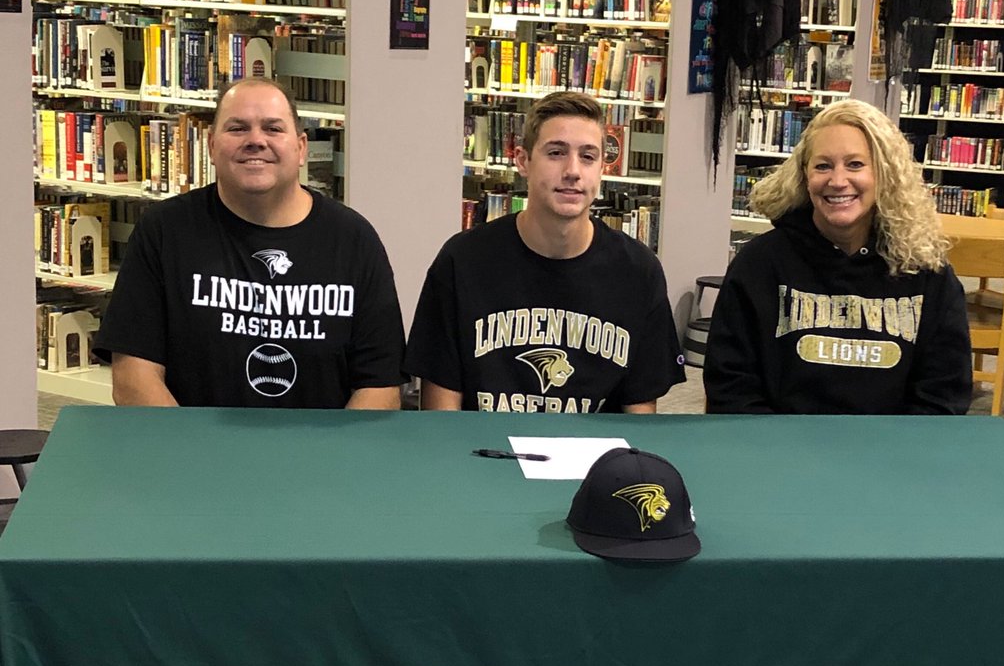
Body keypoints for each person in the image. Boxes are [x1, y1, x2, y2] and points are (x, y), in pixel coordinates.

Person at [94, 78, 405, 408]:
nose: (256, 140)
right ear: (211, 145)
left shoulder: (354, 240)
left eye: (273, 128)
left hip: (322, 455)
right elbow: (133, 379)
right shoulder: (163, 232)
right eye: (238, 128)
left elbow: (380, 387)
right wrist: (193, 456)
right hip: (195, 454)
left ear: (301, 148)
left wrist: (331, 459)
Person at [405, 91, 684, 413]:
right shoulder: (463, 261)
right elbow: (441, 419)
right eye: (556, 153)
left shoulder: (638, 271)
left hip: (594, 460)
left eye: (588, 156)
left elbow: (640, 418)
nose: (573, 171)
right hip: (482, 456)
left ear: (602, 169)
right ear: (523, 160)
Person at [703, 99, 972, 415]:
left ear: (884, 174)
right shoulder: (760, 264)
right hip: (779, 452)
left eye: (855, 164)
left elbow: (943, 395)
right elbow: (731, 387)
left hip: (892, 455)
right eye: (823, 165)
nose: (838, 180)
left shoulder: (926, 271)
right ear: (804, 176)